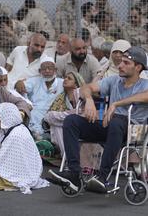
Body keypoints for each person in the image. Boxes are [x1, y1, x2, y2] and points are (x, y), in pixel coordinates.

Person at [48, 46, 148, 193]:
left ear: (138, 67)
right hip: (111, 127)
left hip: (134, 132)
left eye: (126, 63)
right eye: (121, 62)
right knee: (71, 120)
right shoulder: (114, 80)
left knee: (117, 120)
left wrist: (116, 104)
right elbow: (85, 88)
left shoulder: (145, 84)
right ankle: (74, 174)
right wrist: (88, 99)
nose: (120, 65)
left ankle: (102, 177)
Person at [15, 56, 63, 138]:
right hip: (35, 114)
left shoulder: (62, 83)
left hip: (53, 114)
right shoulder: (34, 81)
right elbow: (20, 87)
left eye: (50, 68)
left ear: (55, 70)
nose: (47, 71)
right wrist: (18, 83)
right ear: (40, 71)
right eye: (44, 69)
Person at [43, 72, 85, 155]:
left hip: (79, 126)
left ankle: (67, 157)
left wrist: (62, 116)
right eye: (65, 77)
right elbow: (47, 118)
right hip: (61, 126)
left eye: (69, 78)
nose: (65, 79)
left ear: (76, 84)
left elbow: (81, 113)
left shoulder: (82, 96)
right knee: (54, 122)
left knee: (56, 120)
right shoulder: (61, 97)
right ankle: (66, 156)